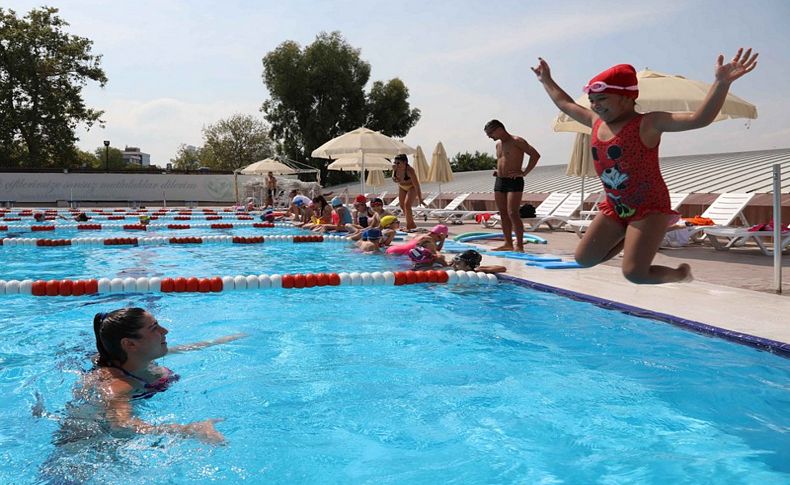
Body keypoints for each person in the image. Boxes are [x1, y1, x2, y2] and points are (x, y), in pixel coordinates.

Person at [531, 48, 757, 284]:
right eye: (593, 101)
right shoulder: (595, 121)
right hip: (615, 206)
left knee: (635, 274)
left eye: (602, 99)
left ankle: (681, 273)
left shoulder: (648, 123)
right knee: (584, 259)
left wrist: (721, 83)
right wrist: (546, 80)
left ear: (626, 97)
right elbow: (564, 103)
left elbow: (698, 119)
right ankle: (627, 234)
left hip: (649, 208)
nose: (596, 106)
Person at [87, 307, 245, 443]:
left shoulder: (141, 358)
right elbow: (121, 424)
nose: (165, 331)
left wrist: (225, 340)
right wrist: (190, 430)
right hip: (95, 446)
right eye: (154, 328)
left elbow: (189, 347)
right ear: (130, 344)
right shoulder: (118, 385)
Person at [484, 119, 541, 252]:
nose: (490, 137)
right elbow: (504, 161)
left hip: (514, 181)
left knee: (513, 213)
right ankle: (508, 243)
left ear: (499, 129)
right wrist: (498, 171)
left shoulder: (517, 141)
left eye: (490, 134)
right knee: (503, 214)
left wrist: (524, 173)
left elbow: (535, 155)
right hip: (500, 180)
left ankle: (519, 246)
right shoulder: (498, 145)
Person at [391, 154, 426, 232]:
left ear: (405, 162)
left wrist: (420, 198)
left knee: (407, 205)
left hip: (411, 187)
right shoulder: (395, 168)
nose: (396, 165)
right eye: (395, 162)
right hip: (402, 187)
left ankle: (409, 226)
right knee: (402, 205)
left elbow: (417, 186)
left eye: (398, 163)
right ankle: (411, 224)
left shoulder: (410, 171)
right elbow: (394, 178)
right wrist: (394, 178)